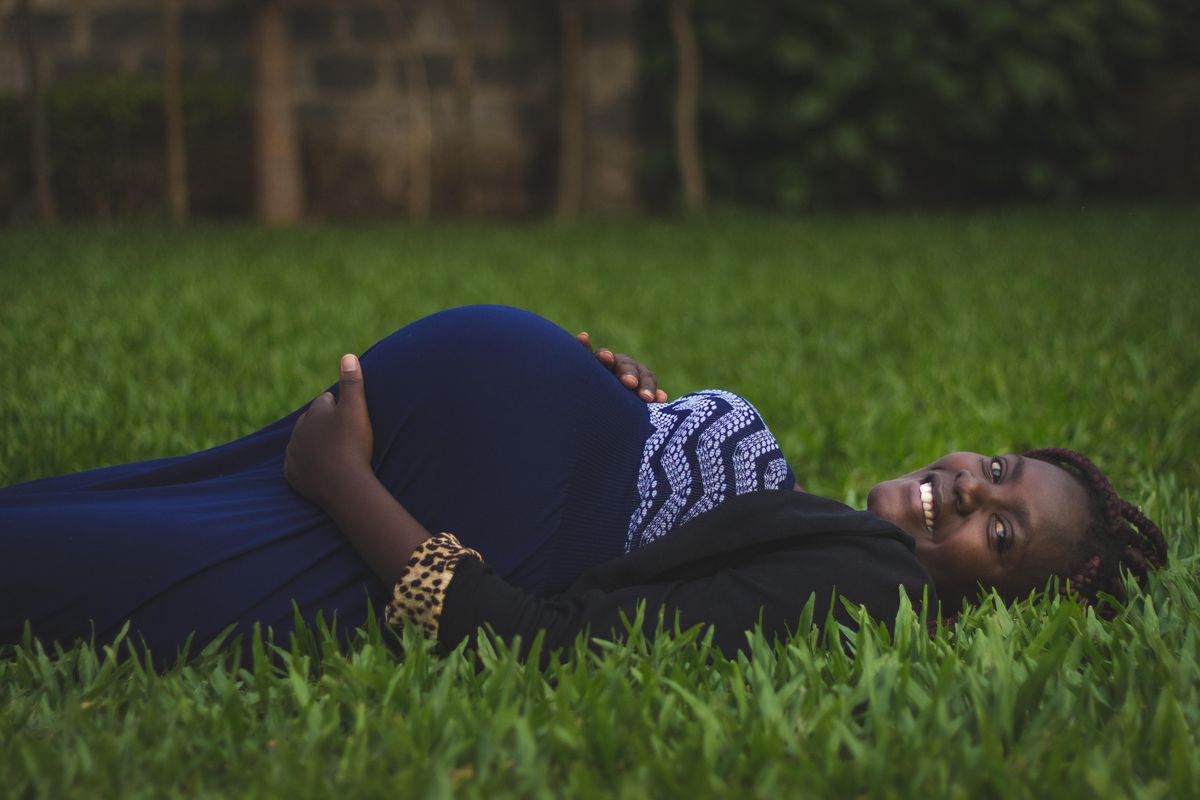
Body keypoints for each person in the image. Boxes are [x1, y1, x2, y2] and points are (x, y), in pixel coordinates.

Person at [0, 306, 1167, 664]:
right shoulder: (845, 542)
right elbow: (660, 519)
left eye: (1003, 537)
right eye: (999, 471)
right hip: (420, 449)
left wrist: (343, 477)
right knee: (106, 515)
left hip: (370, 490)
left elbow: (553, 641)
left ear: (1006, 605)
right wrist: (641, 414)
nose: (969, 491)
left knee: (87, 565)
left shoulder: (865, 588)